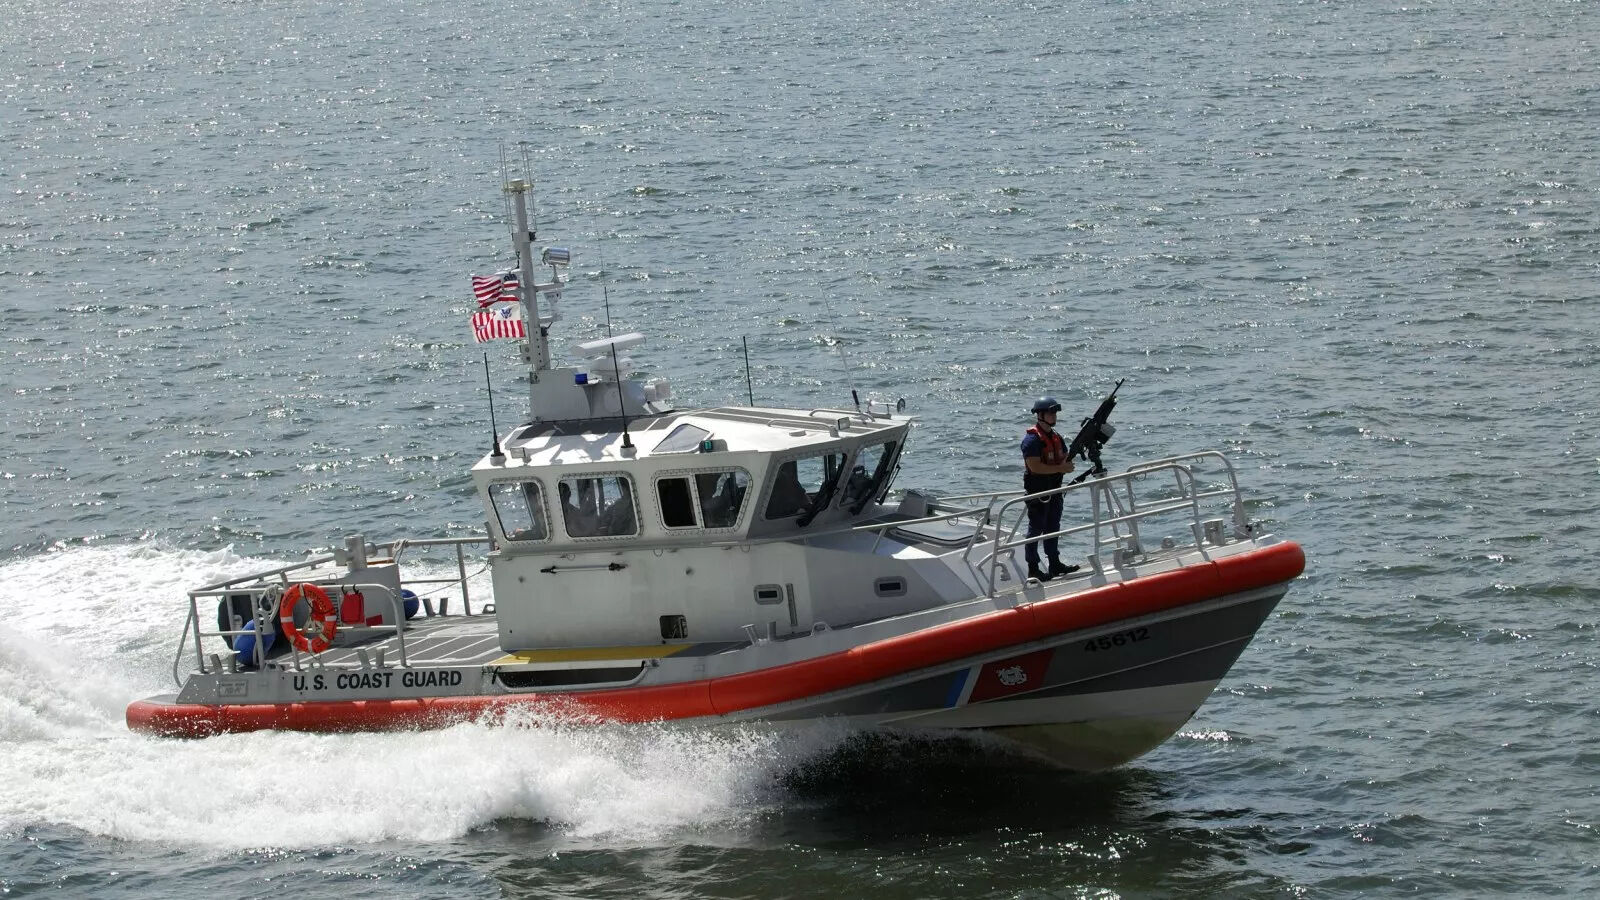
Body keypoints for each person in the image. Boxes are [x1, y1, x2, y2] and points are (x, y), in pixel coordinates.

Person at [1021, 396, 1079, 582]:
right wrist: (1061, 468)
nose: (1054, 416)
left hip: (1054, 491)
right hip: (1038, 493)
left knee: (1053, 527)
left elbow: (1062, 458)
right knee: (1035, 529)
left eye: (1055, 412)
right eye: (1050, 412)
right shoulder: (1032, 440)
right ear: (1040, 415)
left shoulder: (1056, 437)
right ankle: (1033, 568)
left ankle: (1054, 563)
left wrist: (1067, 463)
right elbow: (1035, 467)